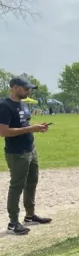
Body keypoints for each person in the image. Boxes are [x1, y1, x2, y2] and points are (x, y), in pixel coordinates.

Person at [0, 77, 52, 235]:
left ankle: (29, 216)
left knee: (32, 182)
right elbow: (3, 131)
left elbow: (23, 124)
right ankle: (13, 223)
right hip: (17, 152)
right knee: (17, 186)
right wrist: (31, 129)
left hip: (31, 149)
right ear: (15, 88)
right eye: (26, 88)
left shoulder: (23, 103)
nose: (29, 91)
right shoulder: (5, 106)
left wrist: (37, 127)